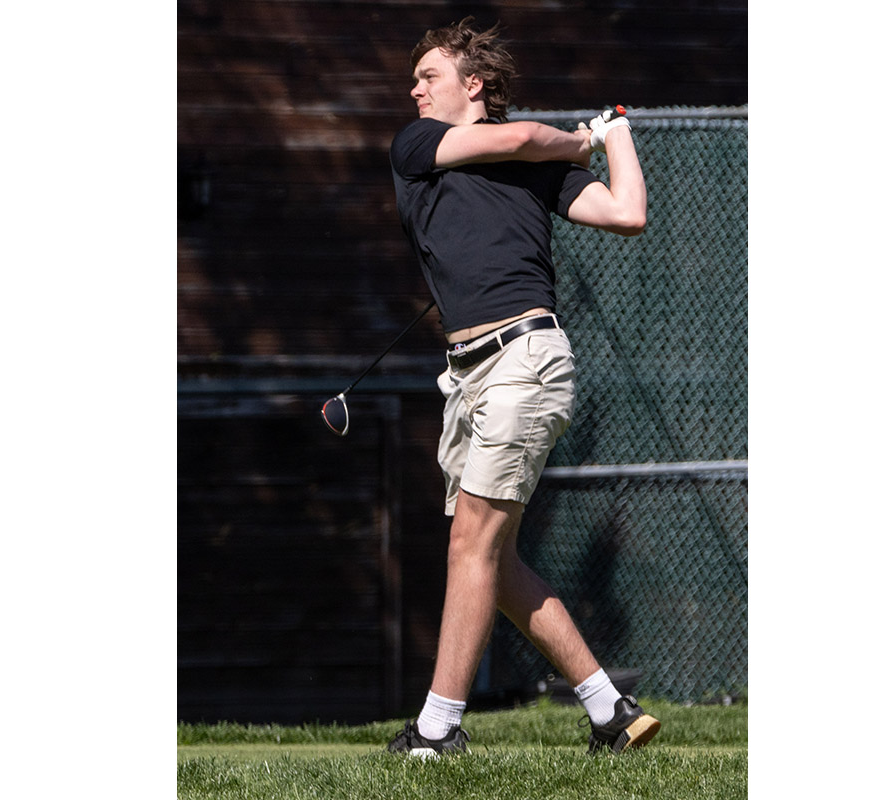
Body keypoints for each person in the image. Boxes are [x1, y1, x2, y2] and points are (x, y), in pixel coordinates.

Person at [385, 17, 655, 757]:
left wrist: (616, 133)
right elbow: (519, 139)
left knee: (470, 546)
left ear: (473, 85)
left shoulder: (537, 159)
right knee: (491, 563)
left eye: (428, 76)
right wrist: (579, 140)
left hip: (523, 360)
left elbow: (627, 213)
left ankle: (437, 731)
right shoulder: (418, 144)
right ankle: (611, 711)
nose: (414, 89)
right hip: (468, 376)